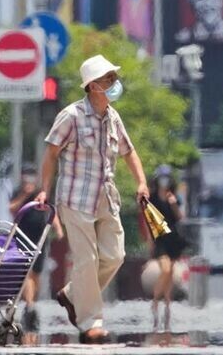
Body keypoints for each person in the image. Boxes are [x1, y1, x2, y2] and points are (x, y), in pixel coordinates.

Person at [37, 54, 150, 344]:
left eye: (114, 77)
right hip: (75, 198)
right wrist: (44, 190)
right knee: (86, 260)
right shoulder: (71, 116)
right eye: (107, 79)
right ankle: (91, 322)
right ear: (92, 86)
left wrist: (141, 182)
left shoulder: (113, 118)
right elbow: (50, 153)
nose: (114, 83)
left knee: (115, 256)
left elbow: (129, 151)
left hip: (105, 196)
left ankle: (73, 294)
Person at [9, 168, 64, 333]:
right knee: (27, 272)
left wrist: (58, 229)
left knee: (36, 274)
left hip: (40, 238)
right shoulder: (18, 192)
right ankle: (30, 304)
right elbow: (12, 209)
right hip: (22, 237)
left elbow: (51, 211)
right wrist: (25, 195)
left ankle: (31, 303)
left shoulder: (43, 193)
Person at [144, 165, 186, 331]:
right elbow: (149, 221)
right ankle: (155, 302)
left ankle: (167, 306)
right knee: (166, 270)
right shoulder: (152, 198)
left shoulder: (173, 196)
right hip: (160, 239)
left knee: (170, 275)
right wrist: (150, 242)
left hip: (173, 239)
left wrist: (174, 204)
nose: (164, 181)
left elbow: (180, 217)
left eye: (167, 178)